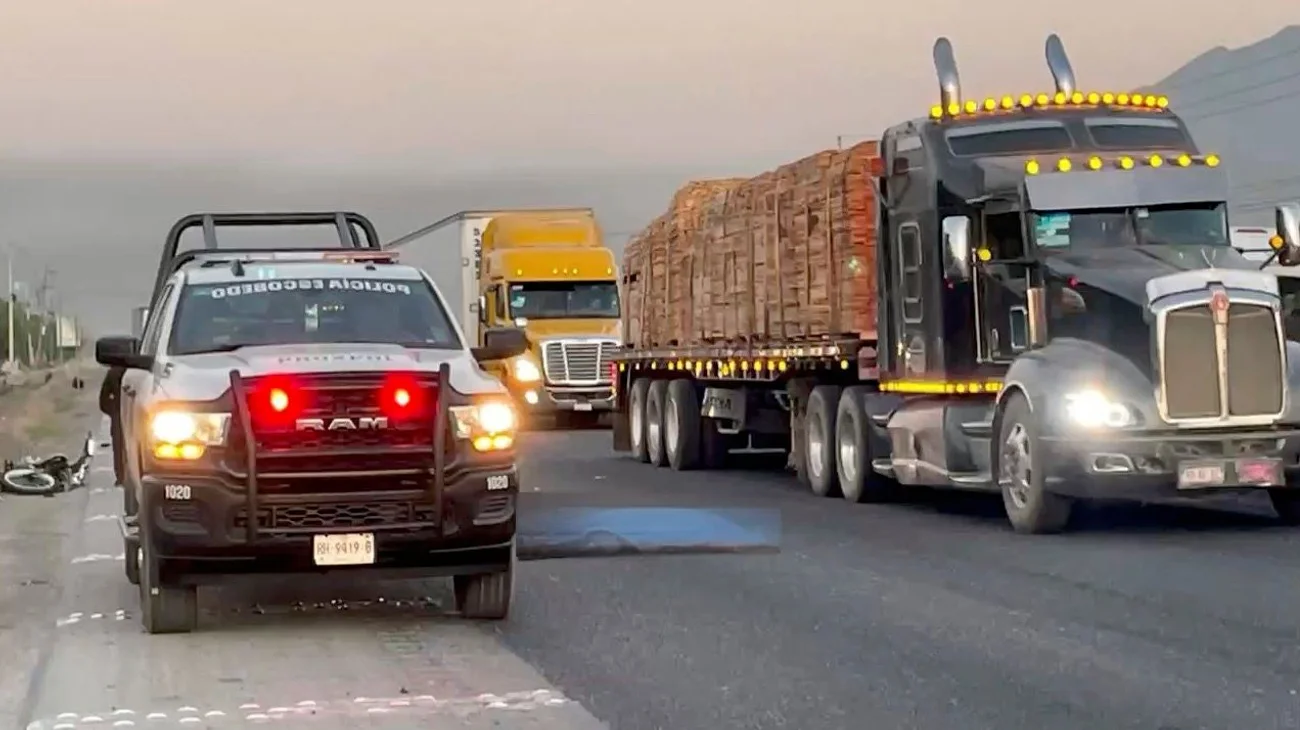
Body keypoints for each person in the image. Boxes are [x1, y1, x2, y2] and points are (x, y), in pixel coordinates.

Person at [99, 366, 125, 486]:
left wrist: (114, 411)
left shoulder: (113, 373)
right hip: (130, 417)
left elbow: (103, 401)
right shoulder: (140, 371)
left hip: (119, 417)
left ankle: (121, 477)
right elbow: (103, 401)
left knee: (119, 448)